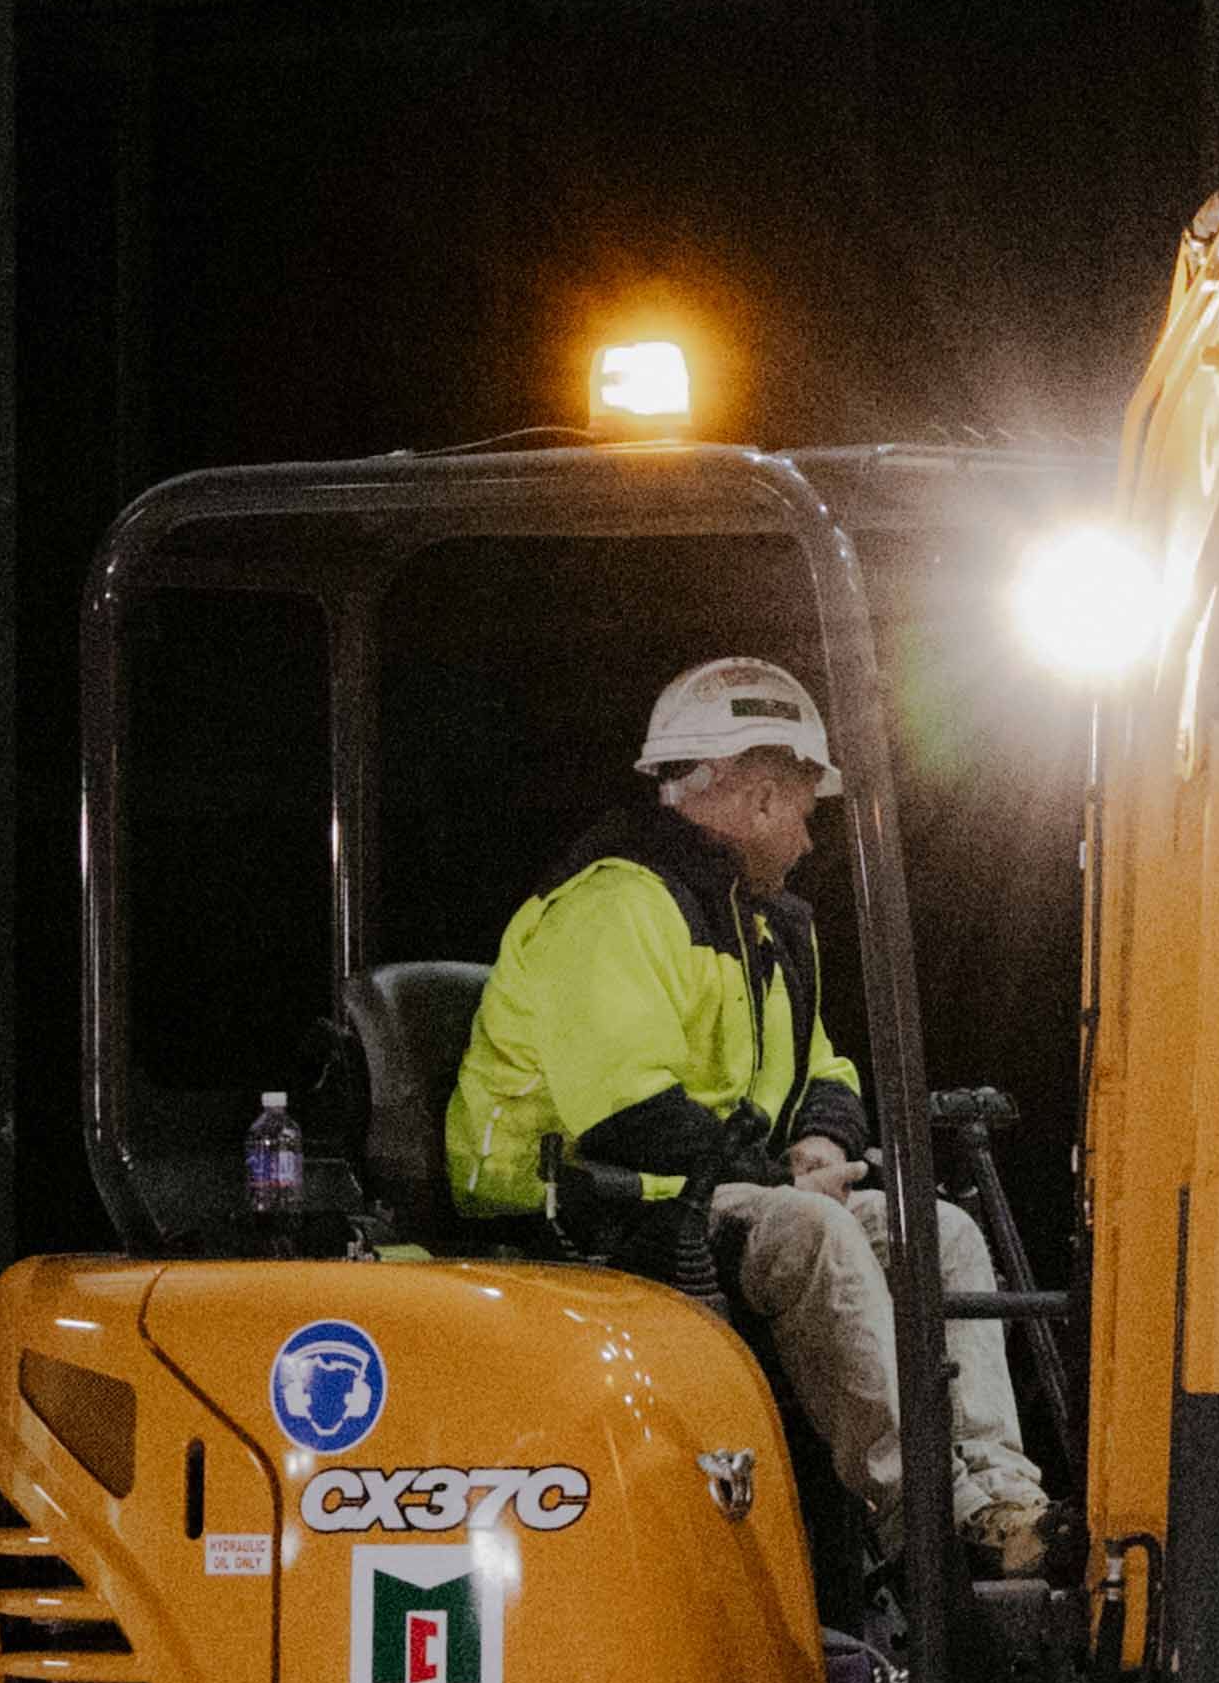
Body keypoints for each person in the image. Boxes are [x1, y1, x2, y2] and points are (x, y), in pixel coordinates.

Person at [441, 655, 1045, 1632]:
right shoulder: (616, 907)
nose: (810, 836)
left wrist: (818, 1138)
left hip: (713, 1182)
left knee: (940, 1234)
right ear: (758, 796)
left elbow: (829, 1074)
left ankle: (1000, 1500)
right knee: (817, 1234)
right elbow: (627, 1114)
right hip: (590, 1199)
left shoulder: (766, 929)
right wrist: (784, 1175)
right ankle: (916, 1509)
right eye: (806, 806)